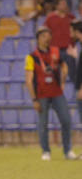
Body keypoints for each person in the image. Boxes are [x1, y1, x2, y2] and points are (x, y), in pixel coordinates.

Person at [27, 28, 75, 161]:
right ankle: (46, 151)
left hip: (57, 93)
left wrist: (63, 80)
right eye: (44, 36)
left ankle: (67, 151)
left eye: (48, 35)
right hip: (41, 95)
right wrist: (34, 99)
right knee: (43, 124)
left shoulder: (56, 51)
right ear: (38, 38)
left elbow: (64, 65)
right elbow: (29, 80)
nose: (47, 38)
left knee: (66, 120)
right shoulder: (32, 57)